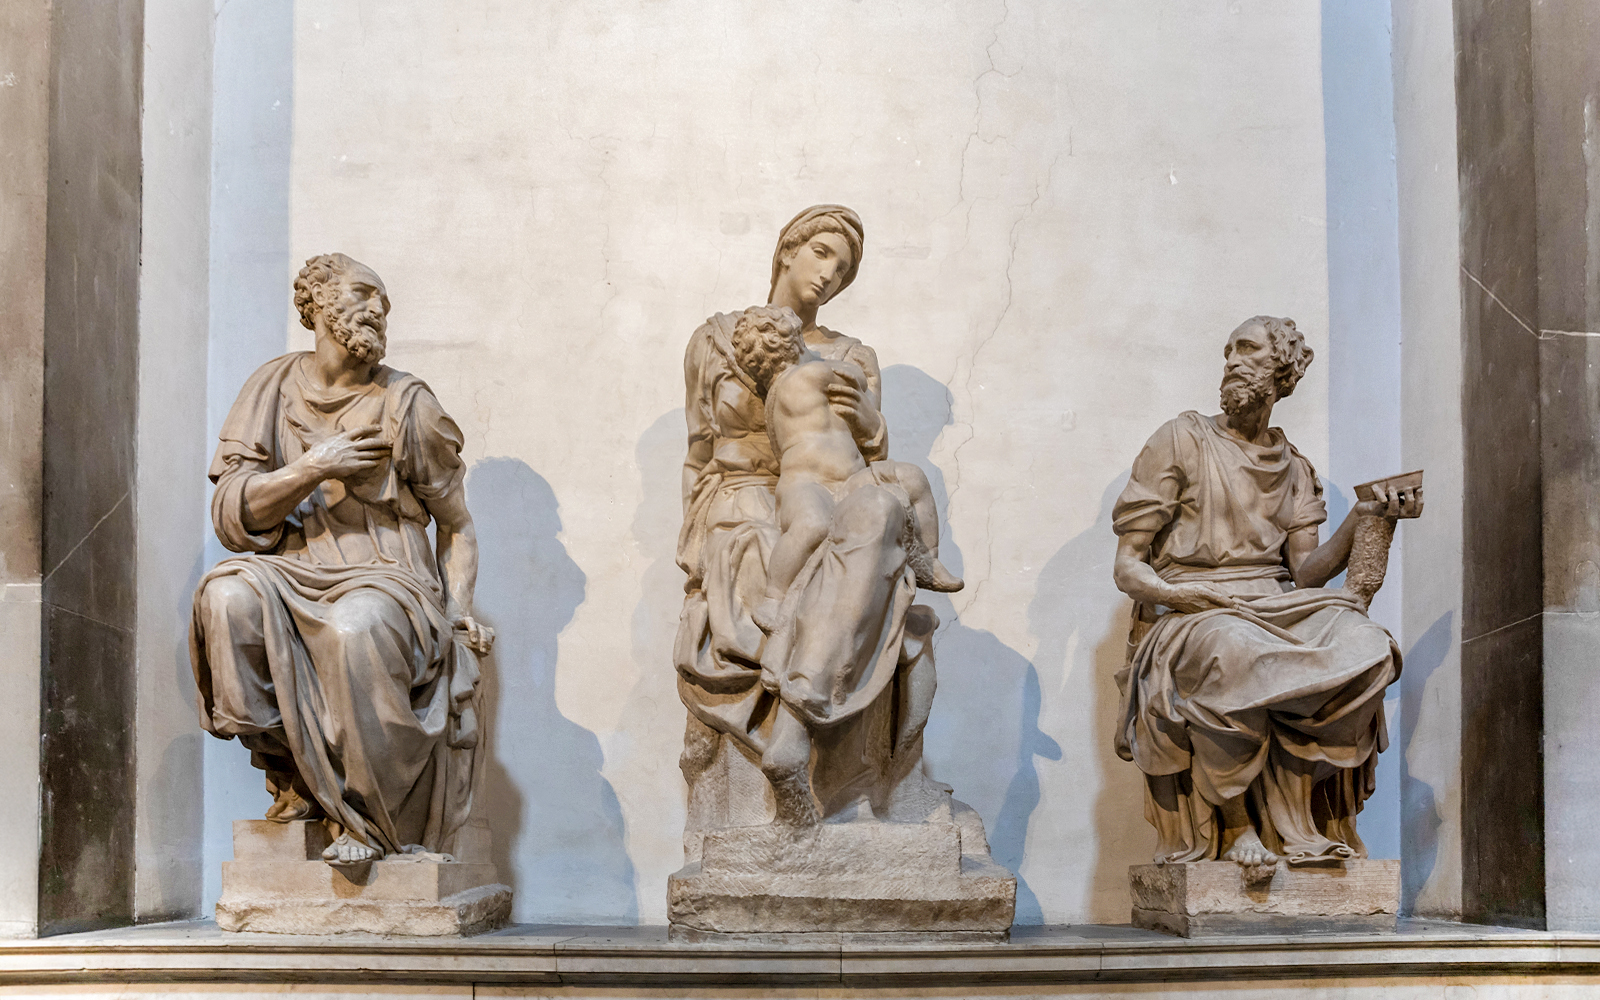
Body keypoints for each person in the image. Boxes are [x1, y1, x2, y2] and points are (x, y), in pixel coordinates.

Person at [191, 253, 494, 865]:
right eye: (363, 293)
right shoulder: (271, 387)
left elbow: (457, 525)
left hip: (388, 577)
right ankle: (300, 775)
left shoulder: (406, 402)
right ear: (317, 304)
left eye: (384, 301)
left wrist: (456, 612)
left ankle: (370, 817)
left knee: (356, 626)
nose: (378, 309)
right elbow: (231, 516)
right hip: (293, 567)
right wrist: (312, 468)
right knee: (225, 598)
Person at [675, 206, 951, 834]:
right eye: (822, 253)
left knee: (875, 516)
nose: (830, 274)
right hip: (743, 499)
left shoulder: (853, 356)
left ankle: (807, 745)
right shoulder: (713, 340)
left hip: (838, 488)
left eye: (844, 269)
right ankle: (796, 738)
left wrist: (871, 421)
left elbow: (868, 453)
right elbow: (697, 452)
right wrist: (691, 549)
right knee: (782, 550)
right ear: (786, 252)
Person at [1112, 315, 1422, 867]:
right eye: (1228, 351)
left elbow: (1306, 575)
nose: (1232, 361)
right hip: (1194, 608)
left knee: (1369, 645)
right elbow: (1128, 568)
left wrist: (1366, 516)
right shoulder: (1182, 439)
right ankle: (1236, 827)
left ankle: (1297, 820)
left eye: (1247, 349)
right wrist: (1183, 598)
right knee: (1234, 648)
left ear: (1281, 370)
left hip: (1276, 604)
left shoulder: (1295, 468)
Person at [727, 305, 961, 638]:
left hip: (850, 481)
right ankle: (773, 597)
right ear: (792, 338)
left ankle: (926, 559)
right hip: (807, 485)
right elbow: (854, 377)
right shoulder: (806, 376)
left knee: (912, 478)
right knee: (812, 524)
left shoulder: (785, 387)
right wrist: (856, 369)